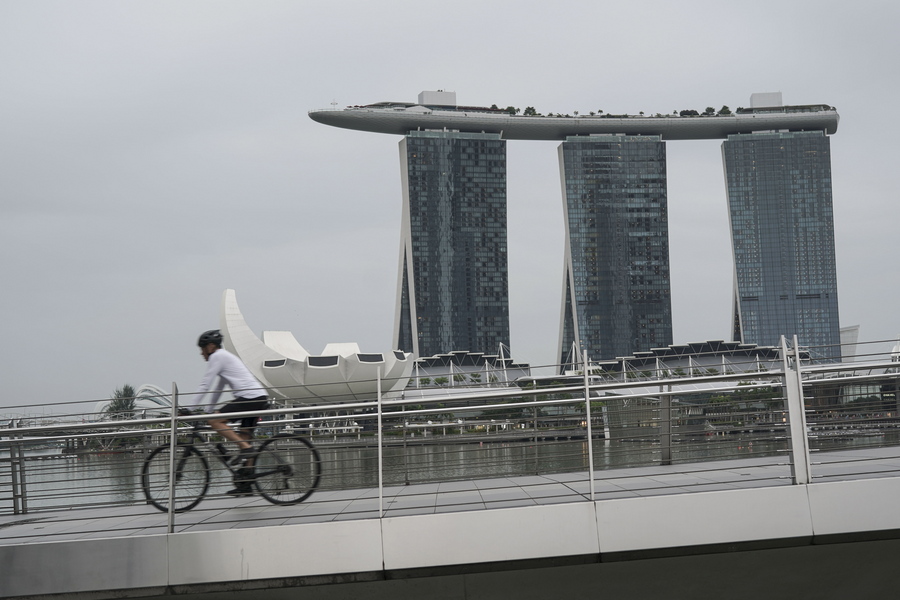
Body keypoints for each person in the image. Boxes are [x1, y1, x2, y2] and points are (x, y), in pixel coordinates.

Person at [184, 329, 270, 496]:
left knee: (216, 422)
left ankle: (245, 449)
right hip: (259, 397)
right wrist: (208, 411)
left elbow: (205, 385)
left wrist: (190, 409)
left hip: (250, 398)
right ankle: (246, 485)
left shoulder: (217, 356)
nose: (201, 354)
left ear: (210, 346)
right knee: (245, 437)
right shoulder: (224, 358)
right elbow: (218, 389)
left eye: (202, 349)